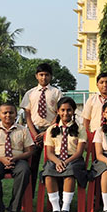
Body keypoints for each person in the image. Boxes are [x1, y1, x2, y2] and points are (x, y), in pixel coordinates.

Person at [42, 97, 88, 212]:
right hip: (55, 158)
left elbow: (79, 151)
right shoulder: (51, 129)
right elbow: (49, 152)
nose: (65, 113)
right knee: (48, 174)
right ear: (58, 111)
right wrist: (58, 162)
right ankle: (56, 208)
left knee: (70, 173)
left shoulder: (80, 128)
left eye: (69, 110)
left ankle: (65, 208)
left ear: (73, 111)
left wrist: (65, 162)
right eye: (62, 110)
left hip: (73, 158)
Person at [20, 62, 63, 193]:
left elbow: (59, 113)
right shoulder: (30, 93)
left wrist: (47, 131)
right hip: (34, 131)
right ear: (36, 76)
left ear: (51, 76)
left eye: (47, 75)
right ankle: (30, 193)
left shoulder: (56, 92)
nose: (44, 77)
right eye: (41, 75)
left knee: (55, 162)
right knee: (32, 164)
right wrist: (34, 133)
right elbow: (27, 115)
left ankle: (56, 194)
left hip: (52, 131)